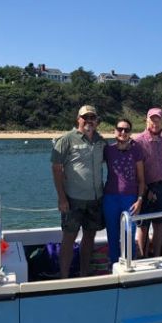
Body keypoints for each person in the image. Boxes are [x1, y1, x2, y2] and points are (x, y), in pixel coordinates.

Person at [51, 105, 106, 278]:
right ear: (78, 119)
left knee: (89, 237)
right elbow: (56, 169)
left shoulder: (101, 141)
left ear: (96, 121)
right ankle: (64, 278)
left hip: (95, 199)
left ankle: (84, 275)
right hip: (73, 200)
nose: (89, 120)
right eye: (85, 117)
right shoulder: (66, 139)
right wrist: (62, 198)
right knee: (69, 238)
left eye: (92, 117)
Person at [103, 118, 145, 266]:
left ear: (130, 133)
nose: (123, 132)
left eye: (126, 130)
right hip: (110, 198)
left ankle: (130, 264)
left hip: (130, 199)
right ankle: (114, 264)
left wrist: (140, 199)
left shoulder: (136, 150)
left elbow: (141, 179)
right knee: (112, 234)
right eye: (120, 129)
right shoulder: (108, 150)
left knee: (129, 234)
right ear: (114, 131)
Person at [133, 107, 162, 258]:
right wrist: (146, 190)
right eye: (152, 119)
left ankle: (157, 256)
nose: (155, 122)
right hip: (145, 188)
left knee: (159, 225)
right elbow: (134, 170)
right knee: (143, 226)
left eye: (158, 119)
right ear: (147, 120)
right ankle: (142, 257)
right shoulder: (137, 141)